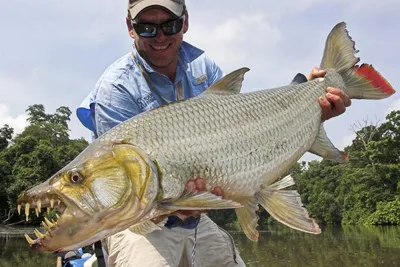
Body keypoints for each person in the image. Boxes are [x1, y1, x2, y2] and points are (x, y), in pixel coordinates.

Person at [76, 0, 351, 266]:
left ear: (185, 22)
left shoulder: (203, 68)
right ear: (130, 26)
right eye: (147, 27)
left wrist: (307, 95)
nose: (160, 36)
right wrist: (182, 199)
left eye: (169, 25)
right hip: (133, 223)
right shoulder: (115, 88)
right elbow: (123, 196)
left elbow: (247, 129)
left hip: (196, 216)